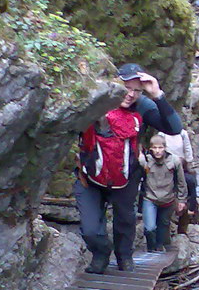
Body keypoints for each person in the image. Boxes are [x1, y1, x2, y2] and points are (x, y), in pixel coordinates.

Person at [74, 63, 182, 273]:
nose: (131, 95)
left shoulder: (143, 106)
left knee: (125, 220)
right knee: (89, 228)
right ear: (116, 83)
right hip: (90, 176)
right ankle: (101, 254)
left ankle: (124, 257)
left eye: (137, 90)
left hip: (127, 176)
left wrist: (157, 95)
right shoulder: (98, 99)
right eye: (127, 88)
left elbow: (174, 128)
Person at [139, 134, 187, 252]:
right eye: (154, 148)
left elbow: (181, 181)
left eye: (160, 148)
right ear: (151, 149)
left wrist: (182, 200)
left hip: (168, 199)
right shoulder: (146, 161)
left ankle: (160, 247)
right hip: (150, 198)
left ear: (165, 148)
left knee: (164, 225)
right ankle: (151, 248)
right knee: (150, 228)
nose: (157, 151)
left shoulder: (174, 161)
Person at [163, 128, 197, 219]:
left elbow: (187, 148)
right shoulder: (162, 133)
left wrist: (191, 208)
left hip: (180, 161)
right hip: (169, 163)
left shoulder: (182, 133)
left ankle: (183, 225)